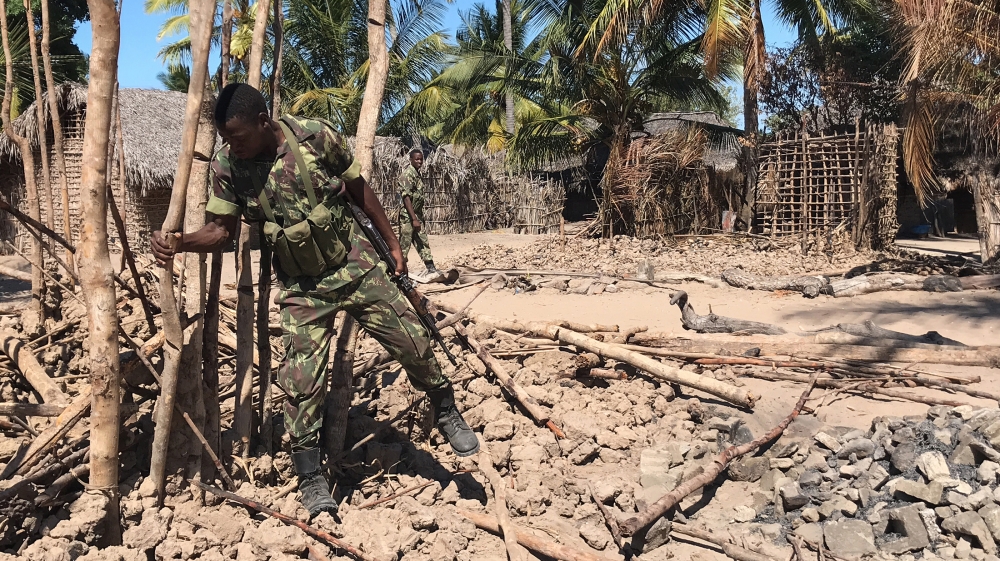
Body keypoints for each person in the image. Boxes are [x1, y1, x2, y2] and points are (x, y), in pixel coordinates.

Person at [150, 83, 479, 520]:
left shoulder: (314, 136)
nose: (234, 147)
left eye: (241, 137)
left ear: (264, 122)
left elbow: (359, 188)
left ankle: (444, 408)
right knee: (302, 384)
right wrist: (182, 241)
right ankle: (310, 477)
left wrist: (393, 244)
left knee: (412, 341)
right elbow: (222, 232)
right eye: (228, 140)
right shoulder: (230, 165)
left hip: (355, 263)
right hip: (302, 287)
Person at [397, 149, 437, 274]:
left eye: (421, 159)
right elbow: (406, 198)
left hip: (416, 215)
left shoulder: (417, 174)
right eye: (417, 159)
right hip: (408, 216)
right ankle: (400, 270)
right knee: (405, 244)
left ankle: (431, 269)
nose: (420, 161)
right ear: (411, 159)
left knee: (422, 241)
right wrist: (414, 219)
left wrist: (417, 218)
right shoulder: (407, 175)